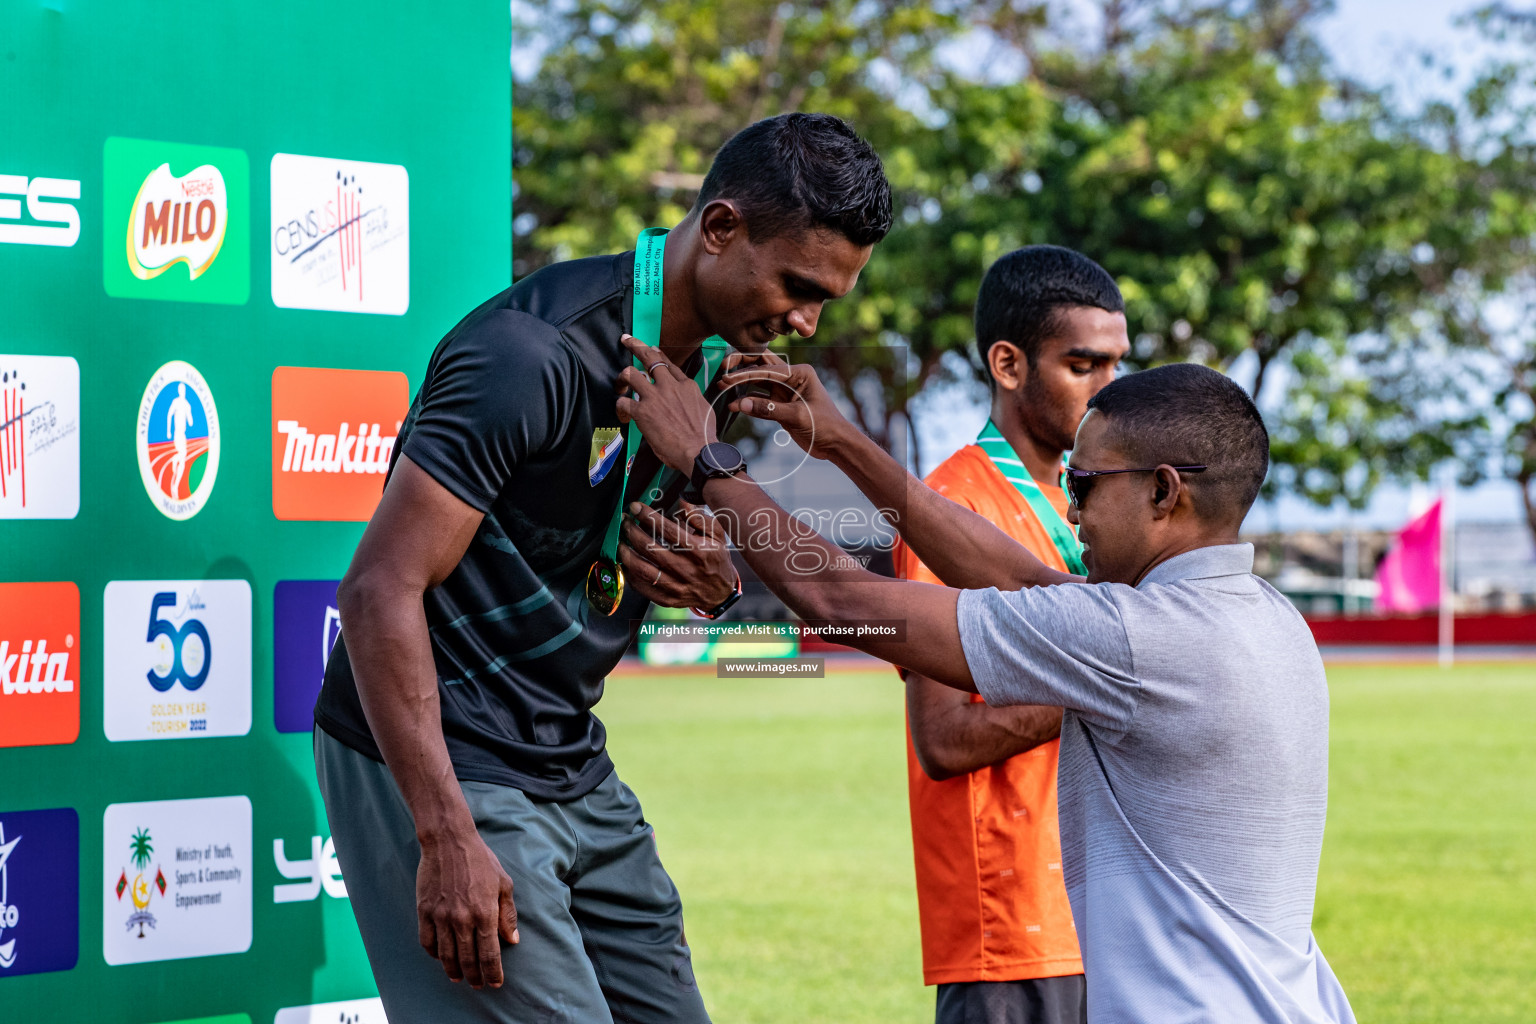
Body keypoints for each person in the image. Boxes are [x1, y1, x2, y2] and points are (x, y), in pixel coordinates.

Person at [312, 112, 892, 1023]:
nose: (805, 323)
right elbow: (379, 588)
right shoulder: (526, 354)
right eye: (797, 285)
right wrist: (444, 833)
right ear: (721, 228)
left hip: (568, 752)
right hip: (450, 756)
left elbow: (608, 555)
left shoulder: (714, 372)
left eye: (827, 301)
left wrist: (706, 586)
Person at [614, 342, 1357, 1024]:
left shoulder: (1138, 639)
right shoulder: (1267, 618)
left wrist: (711, 465)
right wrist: (839, 441)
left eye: (1086, 483)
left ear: (1164, 493)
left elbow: (842, 602)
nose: (1072, 509)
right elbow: (1018, 577)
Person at [899, 247, 1127, 1024]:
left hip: (1113, 911)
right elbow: (945, 738)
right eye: (1082, 365)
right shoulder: (951, 505)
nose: (1108, 391)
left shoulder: (1103, 505)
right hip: (1012, 923)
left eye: (1116, 365)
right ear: (1008, 363)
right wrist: (1116, 687)